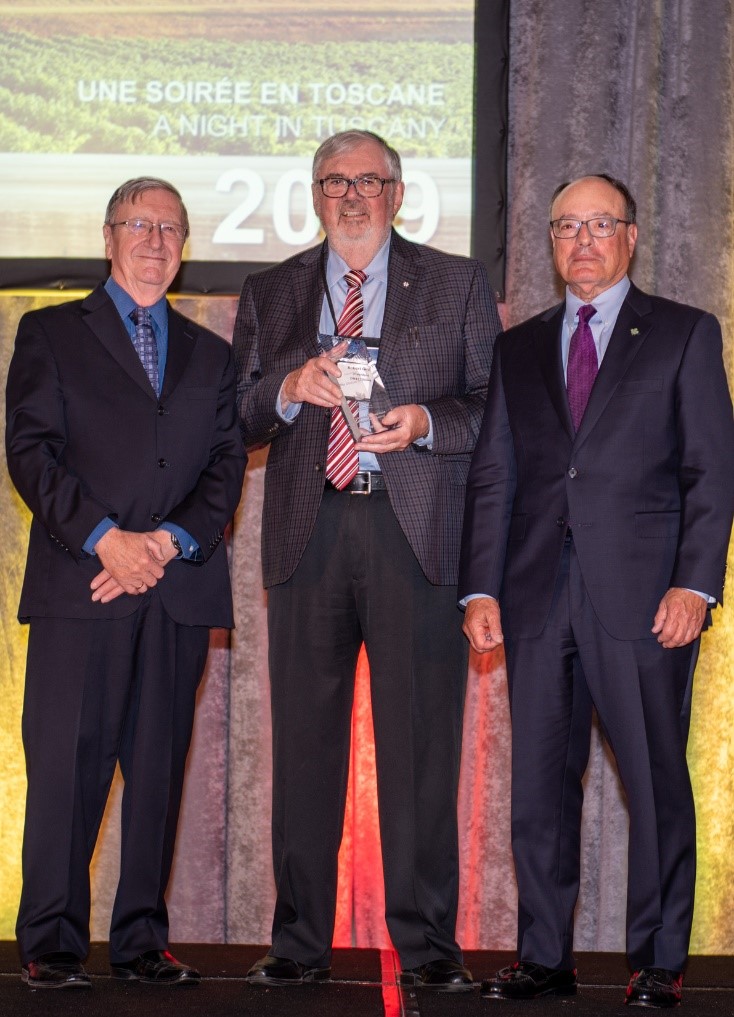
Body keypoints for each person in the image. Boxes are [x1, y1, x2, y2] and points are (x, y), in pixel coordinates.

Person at [459, 174, 734, 1008]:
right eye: (565, 226)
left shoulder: (684, 334)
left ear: (632, 236)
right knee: (540, 785)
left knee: (654, 783)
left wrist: (697, 584)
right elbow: (495, 475)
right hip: (537, 597)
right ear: (550, 240)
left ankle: (659, 960)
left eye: (599, 224)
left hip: (646, 601)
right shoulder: (520, 346)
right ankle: (544, 956)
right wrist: (479, 589)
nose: (582, 240)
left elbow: (710, 472)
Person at [234, 130, 500, 991]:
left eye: (370, 181)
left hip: (411, 529)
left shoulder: (455, 281)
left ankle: (427, 948)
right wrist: (286, 388)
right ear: (315, 195)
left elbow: (490, 407)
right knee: (304, 749)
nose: (352, 195)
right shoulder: (271, 289)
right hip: (309, 535)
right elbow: (239, 413)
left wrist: (423, 422)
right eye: (335, 181)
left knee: (422, 750)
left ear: (398, 192)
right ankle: (299, 942)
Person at [6, 177, 246, 990]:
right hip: (85, 587)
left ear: (185, 247)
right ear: (107, 236)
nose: (155, 240)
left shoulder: (213, 355)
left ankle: (142, 938)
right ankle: (51, 941)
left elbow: (222, 468)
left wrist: (169, 543)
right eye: (139, 225)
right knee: (67, 770)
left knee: (156, 770)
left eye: (170, 229)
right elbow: (32, 453)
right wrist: (109, 542)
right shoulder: (48, 333)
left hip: (175, 592)